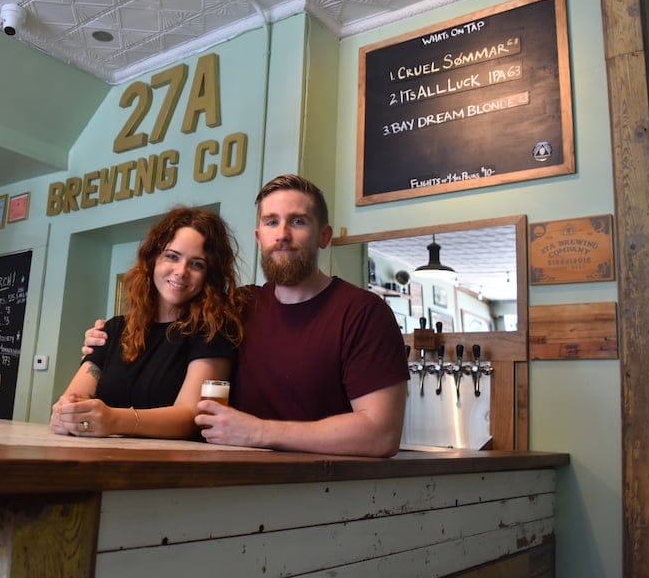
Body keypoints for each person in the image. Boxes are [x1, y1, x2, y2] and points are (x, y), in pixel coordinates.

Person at [84, 175, 408, 456]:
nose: (282, 234)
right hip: (229, 485)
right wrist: (104, 341)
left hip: (323, 493)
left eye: (298, 221)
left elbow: (381, 434)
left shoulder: (364, 313)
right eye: (271, 222)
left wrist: (258, 432)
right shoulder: (239, 306)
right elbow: (171, 322)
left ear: (324, 236)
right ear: (259, 237)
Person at [50, 206, 243, 439]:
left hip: (171, 461)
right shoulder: (113, 329)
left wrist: (113, 420)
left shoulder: (213, 330)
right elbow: (72, 399)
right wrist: (66, 413)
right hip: (101, 457)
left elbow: (191, 417)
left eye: (197, 264)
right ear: (153, 260)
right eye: (172, 256)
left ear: (209, 276)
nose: (181, 271)